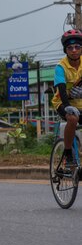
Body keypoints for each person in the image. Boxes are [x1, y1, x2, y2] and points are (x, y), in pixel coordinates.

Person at [52, 29, 82, 169]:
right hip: (63, 102)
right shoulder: (60, 67)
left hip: (80, 103)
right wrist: (67, 106)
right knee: (72, 118)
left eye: (77, 47)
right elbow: (62, 89)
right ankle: (68, 153)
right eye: (70, 48)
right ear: (66, 50)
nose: (74, 50)